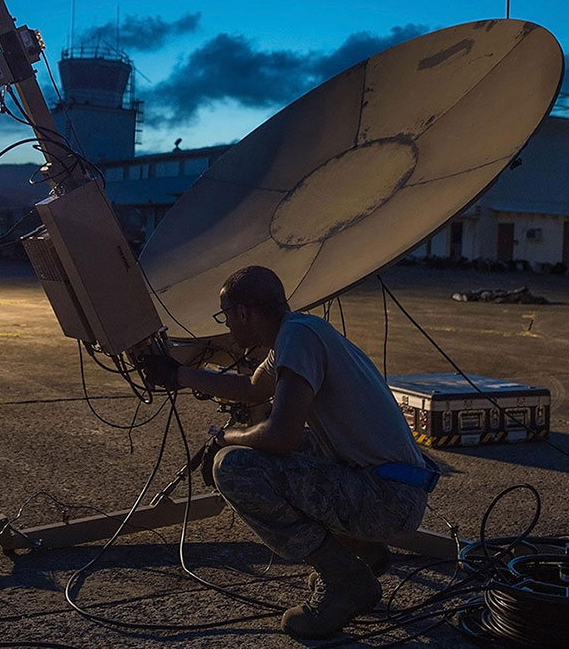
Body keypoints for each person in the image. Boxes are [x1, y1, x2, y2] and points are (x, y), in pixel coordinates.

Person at [141, 265, 438, 639]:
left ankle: (345, 578)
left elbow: (281, 435)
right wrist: (177, 374)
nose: (227, 327)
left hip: (388, 501)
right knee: (294, 447)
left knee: (235, 467)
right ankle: (362, 549)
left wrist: (226, 438)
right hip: (390, 487)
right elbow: (253, 388)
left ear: (244, 312)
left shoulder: (297, 338)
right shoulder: (299, 332)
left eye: (226, 316)